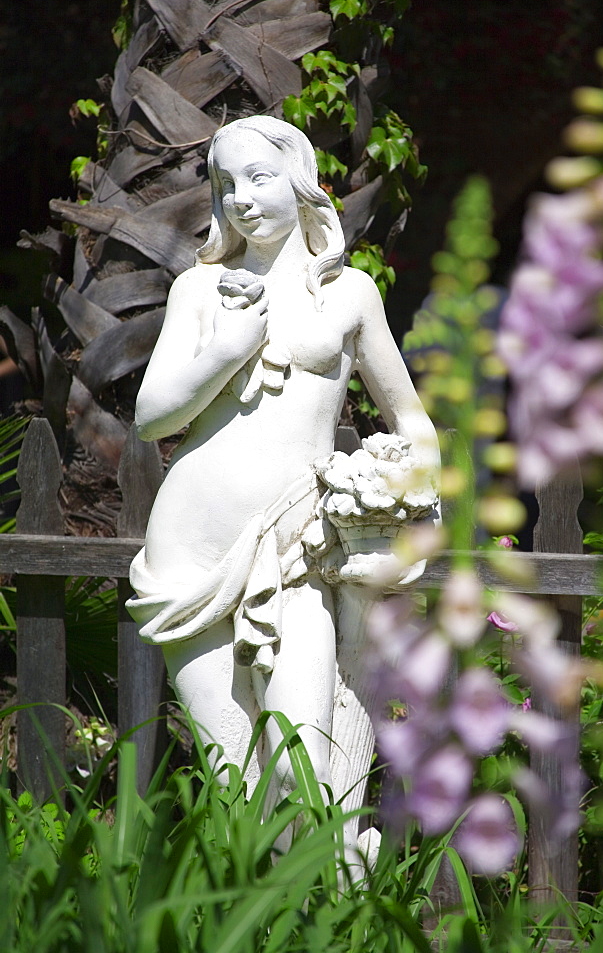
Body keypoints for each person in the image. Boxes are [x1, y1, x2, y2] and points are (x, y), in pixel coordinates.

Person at [127, 116, 439, 847]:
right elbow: (150, 418)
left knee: (310, 775)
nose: (240, 198)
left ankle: (329, 914)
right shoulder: (201, 290)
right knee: (235, 784)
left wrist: (390, 479)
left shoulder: (351, 293)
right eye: (224, 183)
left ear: (299, 184)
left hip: (298, 549)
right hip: (192, 551)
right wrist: (227, 349)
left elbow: (412, 423)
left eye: (258, 178)